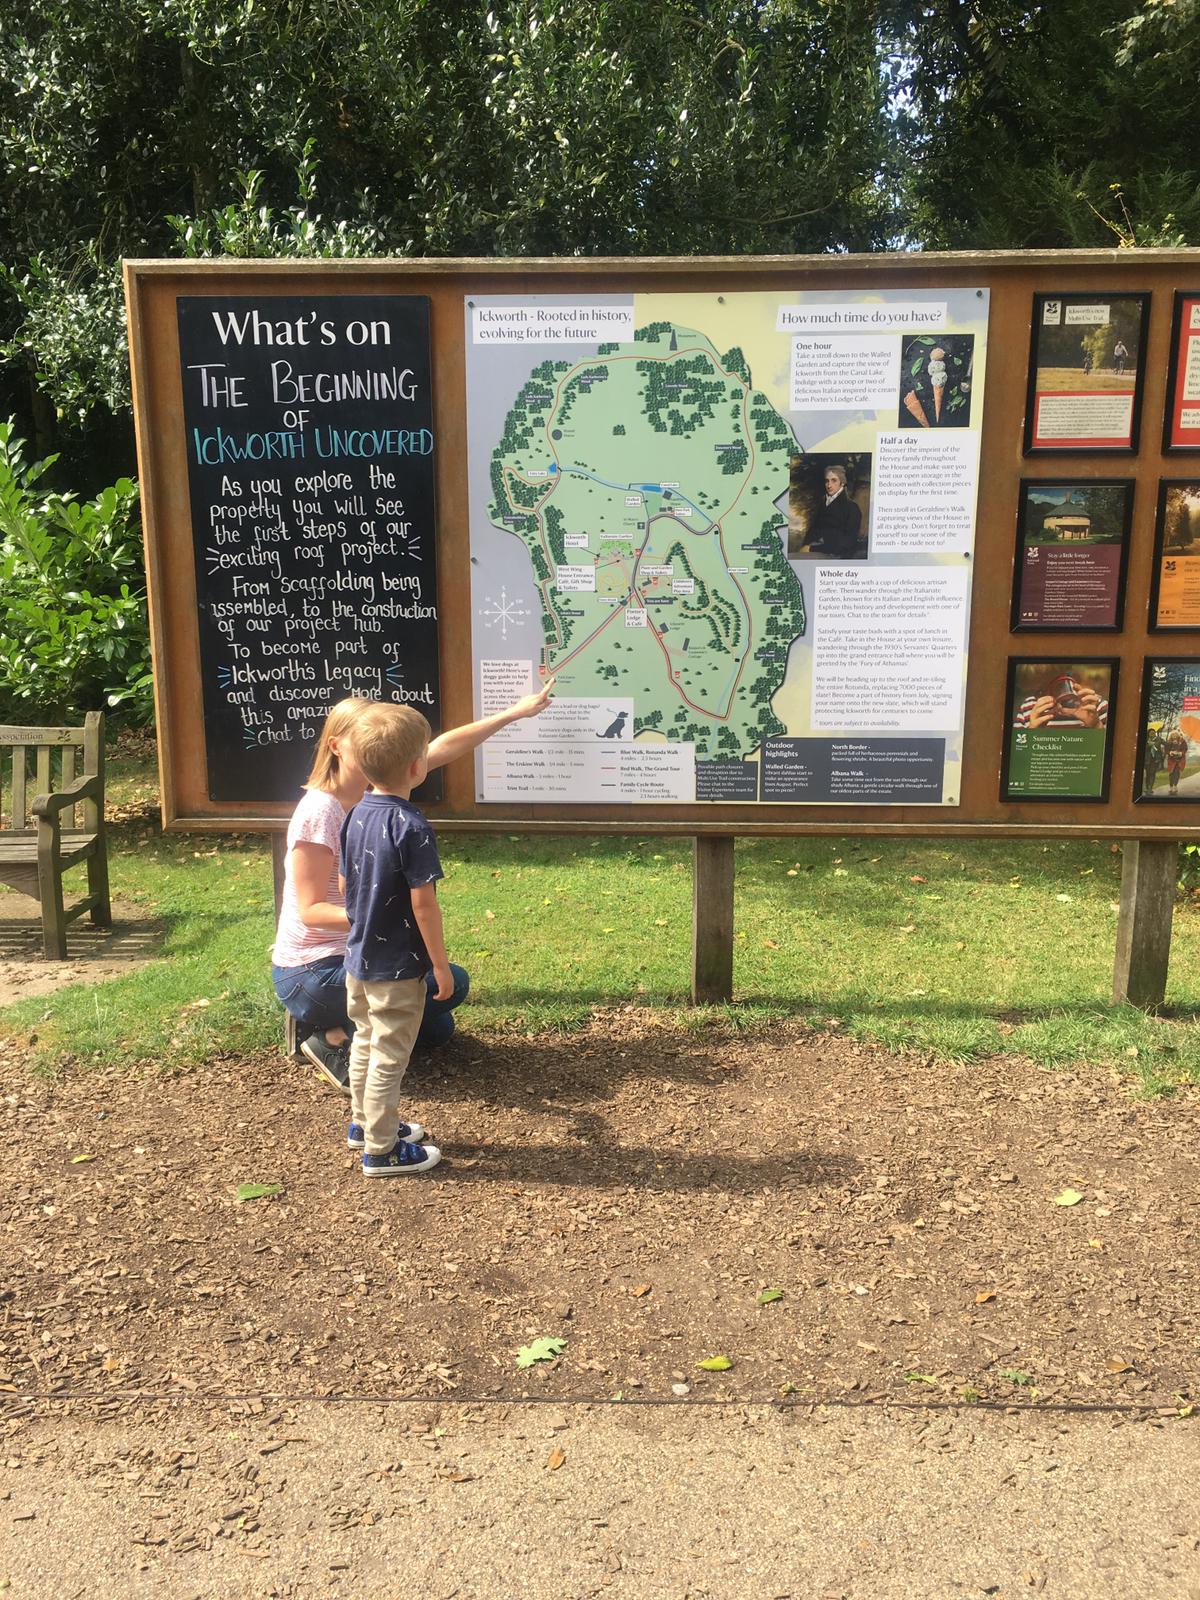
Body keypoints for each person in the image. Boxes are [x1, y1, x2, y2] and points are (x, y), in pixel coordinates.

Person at [271, 681, 553, 1091]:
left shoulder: (376, 785)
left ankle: (361, 1027)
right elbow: (312, 910)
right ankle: (325, 1034)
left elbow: (441, 747)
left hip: (360, 951)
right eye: (364, 739)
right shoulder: (320, 812)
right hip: (312, 970)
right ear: (336, 747)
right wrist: (386, 920)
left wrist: (515, 713)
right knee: (447, 983)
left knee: (439, 1030)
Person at [339, 703, 449, 1175]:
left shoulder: (355, 813)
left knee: (365, 1040)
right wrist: (440, 965)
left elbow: (346, 886)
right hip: (398, 966)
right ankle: (381, 1150)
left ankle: (364, 1124)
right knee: (389, 1054)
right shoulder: (411, 826)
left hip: (358, 959)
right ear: (417, 765)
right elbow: (424, 905)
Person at [799, 466, 863, 559]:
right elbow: (813, 530)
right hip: (816, 551)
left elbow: (847, 544)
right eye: (827, 481)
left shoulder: (852, 507)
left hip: (836, 556)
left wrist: (812, 548)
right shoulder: (823, 504)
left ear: (842, 483)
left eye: (834, 480)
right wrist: (805, 546)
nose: (829, 485)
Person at [1014, 672, 1107, 730]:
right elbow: (1019, 757)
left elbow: (1112, 754)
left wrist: (1096, 725)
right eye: (1040, 692)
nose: (1051, 698)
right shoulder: (1028, 708)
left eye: (1058, 686)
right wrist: (1032, 732)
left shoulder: (1095, 706)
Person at [1165, 727, 1189, 794]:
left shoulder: (1182, 741)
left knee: (1177, 773)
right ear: (1171, 735)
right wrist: (1170, 752)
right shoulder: (1169, 742)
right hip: (1171, 761)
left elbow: (1185, 749)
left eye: (1176, 734)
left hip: (1179, 760)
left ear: (1178, 735)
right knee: (1171, 773)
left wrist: (1181, 753)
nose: (1174, 736)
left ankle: (1175, 786)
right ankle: (1171, 786)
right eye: (1173, 735)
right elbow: (1166, 750)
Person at [1143, 729, 1165, 796]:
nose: (1152, 734)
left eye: (1154, 733)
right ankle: (1147, 788)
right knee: (1148, 774)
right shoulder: (1146, 740)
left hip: (1155, 760)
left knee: (1152, 773)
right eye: (1151, 733)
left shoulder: (1158, 739)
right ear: (1148, 734)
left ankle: (1150, 788)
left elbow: (1164, 743)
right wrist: (1148, 745)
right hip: (1147, 760)